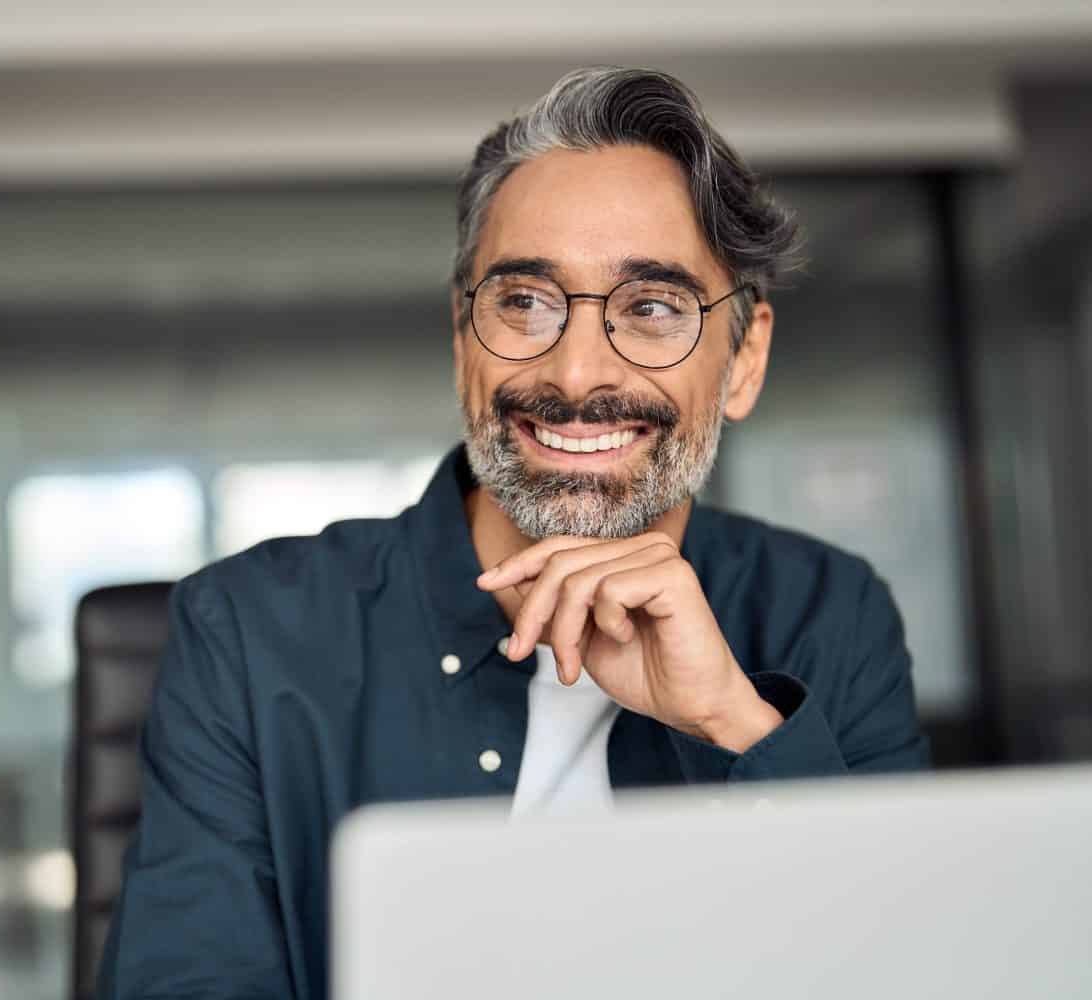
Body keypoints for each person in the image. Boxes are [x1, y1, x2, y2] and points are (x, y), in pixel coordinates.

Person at [95, 66, 928, 999]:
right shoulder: (249, 632)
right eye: (523, 302)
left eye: (651, 308)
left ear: (745, 358)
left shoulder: (834, 614)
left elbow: (903, 966)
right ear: (463, 341)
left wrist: (735, 726)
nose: (576, 374)